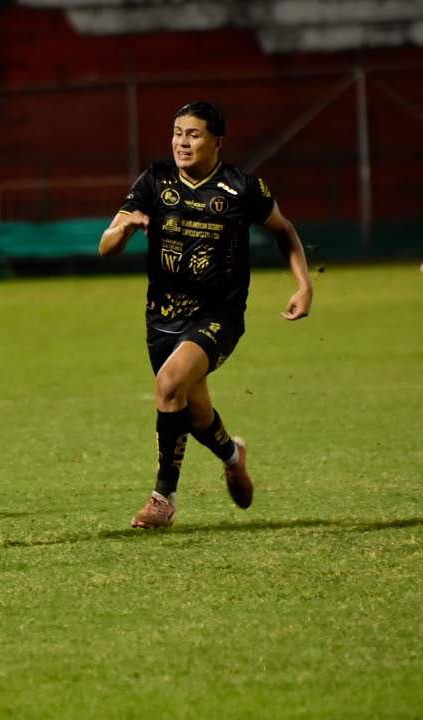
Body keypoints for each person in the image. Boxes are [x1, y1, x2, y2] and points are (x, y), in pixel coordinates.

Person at [99, 100, 313, 529]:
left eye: (193, 134)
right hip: (162, 317)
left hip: (219, 315)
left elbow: (284, 230)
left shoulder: (242, 188)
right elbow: (105, 246)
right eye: (178, 133)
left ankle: (163, 498)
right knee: (192, 413)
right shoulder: (155, 181)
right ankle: (233, 455)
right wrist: (122, 230)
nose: (182, 142)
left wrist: (304, 285)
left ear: (217, 142)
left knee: (169, 382)